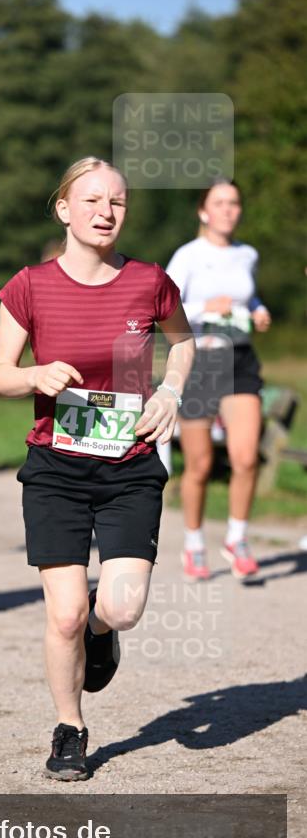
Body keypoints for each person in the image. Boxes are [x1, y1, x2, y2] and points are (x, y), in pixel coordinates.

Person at [0, 157, 194, 780]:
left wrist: (170, 393)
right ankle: (69, 728)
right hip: (56, 467)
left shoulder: (148, 281)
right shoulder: (30, 286)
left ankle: (101, 634)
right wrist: (32, 374)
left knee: (122, 607)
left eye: (118, 203)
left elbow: (183, 343)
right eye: (93, 201)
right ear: (64, 210)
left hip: (130, 465)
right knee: (64, 612)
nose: (106, 213)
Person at [166, 179, 271, 582]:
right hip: (202, 361)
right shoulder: (189, 256)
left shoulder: (248, 255)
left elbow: (250, 297)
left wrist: (258, 311)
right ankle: (193, 544)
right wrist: (204, 306)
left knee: (245, 457)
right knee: (200, 465)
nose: (228, 210)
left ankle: (237, 538)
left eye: (234, 203)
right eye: (220, 203)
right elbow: (166, 307)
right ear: (204, 211)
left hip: (240, 359)